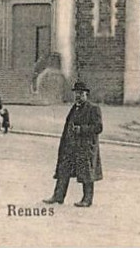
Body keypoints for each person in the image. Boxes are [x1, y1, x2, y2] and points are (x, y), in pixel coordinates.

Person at [44, 79, 102, 208]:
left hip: (85, 147)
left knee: (86, 173)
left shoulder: (93, 108)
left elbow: (98, 127)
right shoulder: (74, 108)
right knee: (63, 170)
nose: (78, 96)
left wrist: (82, 129)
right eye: (76, 93)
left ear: (86, 94)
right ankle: (58, 196)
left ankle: (87, 199)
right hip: (70, 145)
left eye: (81, 93)